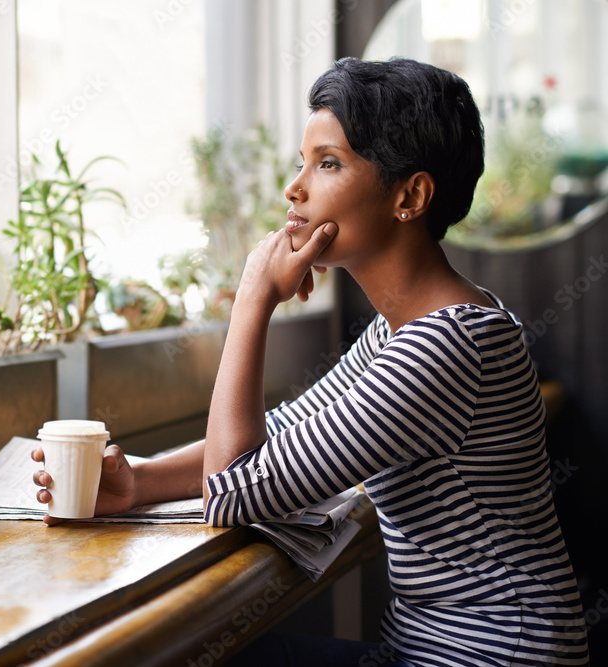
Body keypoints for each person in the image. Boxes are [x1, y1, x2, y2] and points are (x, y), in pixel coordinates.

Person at [32, 57, 590, 666]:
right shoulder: (405, 332)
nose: (294, 188)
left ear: (410, 195)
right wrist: (137, 484)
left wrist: (253, 300)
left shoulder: (448, 346)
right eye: (303, 162)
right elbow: (281, 439)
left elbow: (234, 489)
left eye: (328, 163)